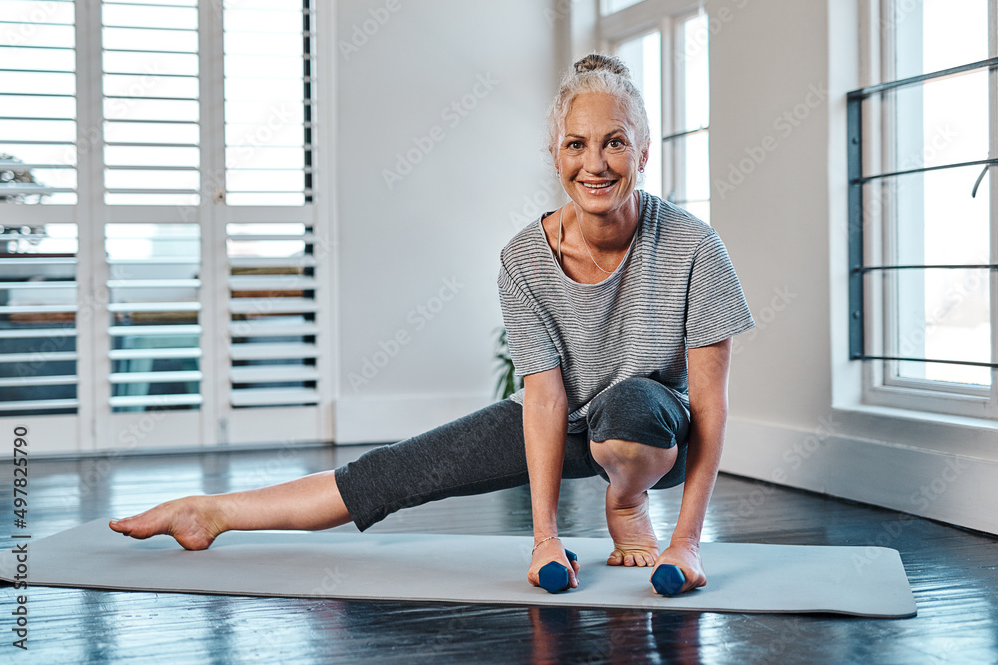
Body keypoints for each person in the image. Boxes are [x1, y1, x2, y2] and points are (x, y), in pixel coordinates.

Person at [109, 53, 754, 594]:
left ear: (642, 150)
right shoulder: (524, 255)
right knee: (391, 472)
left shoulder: (695, 245)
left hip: (653, 433)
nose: (596, 163)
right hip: (562, 417)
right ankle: (211, 514)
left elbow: (710, 406)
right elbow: (543, 394)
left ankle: (626, 501)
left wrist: (688, 543)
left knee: (634, 405)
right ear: (554, 155)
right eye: (576, 144)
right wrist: (545, 540)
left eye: (615, 142)